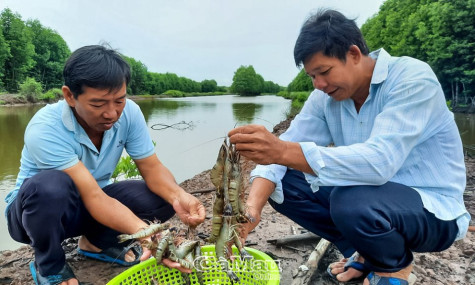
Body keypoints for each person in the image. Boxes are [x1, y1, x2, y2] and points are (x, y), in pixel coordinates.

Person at [229, 9, 470, 285]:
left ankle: (393, 267)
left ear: (354, 54)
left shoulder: (411, 78)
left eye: (324, 72)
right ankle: (365, 251)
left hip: (432, 212)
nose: (318, 84)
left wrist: (282, 151)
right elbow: (281, 153)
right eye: (311, 76)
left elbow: (379, 163)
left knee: (349, 200)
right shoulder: (325, 98)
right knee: (285, 182)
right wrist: (252, 208)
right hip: (371, 202)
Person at [4, 45, 206, 285]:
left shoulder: (129, 112)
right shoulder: (45, 129)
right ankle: (50, 265)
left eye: (119, 100)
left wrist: (180, 195)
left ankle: (96, 243)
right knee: (49, 186)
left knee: (162, 197)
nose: (112, 113)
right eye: (98, 104)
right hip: (36, 214)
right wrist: (150, 236)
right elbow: (93, 197)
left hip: (92, 204)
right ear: (69, 96)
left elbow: (152, 168)